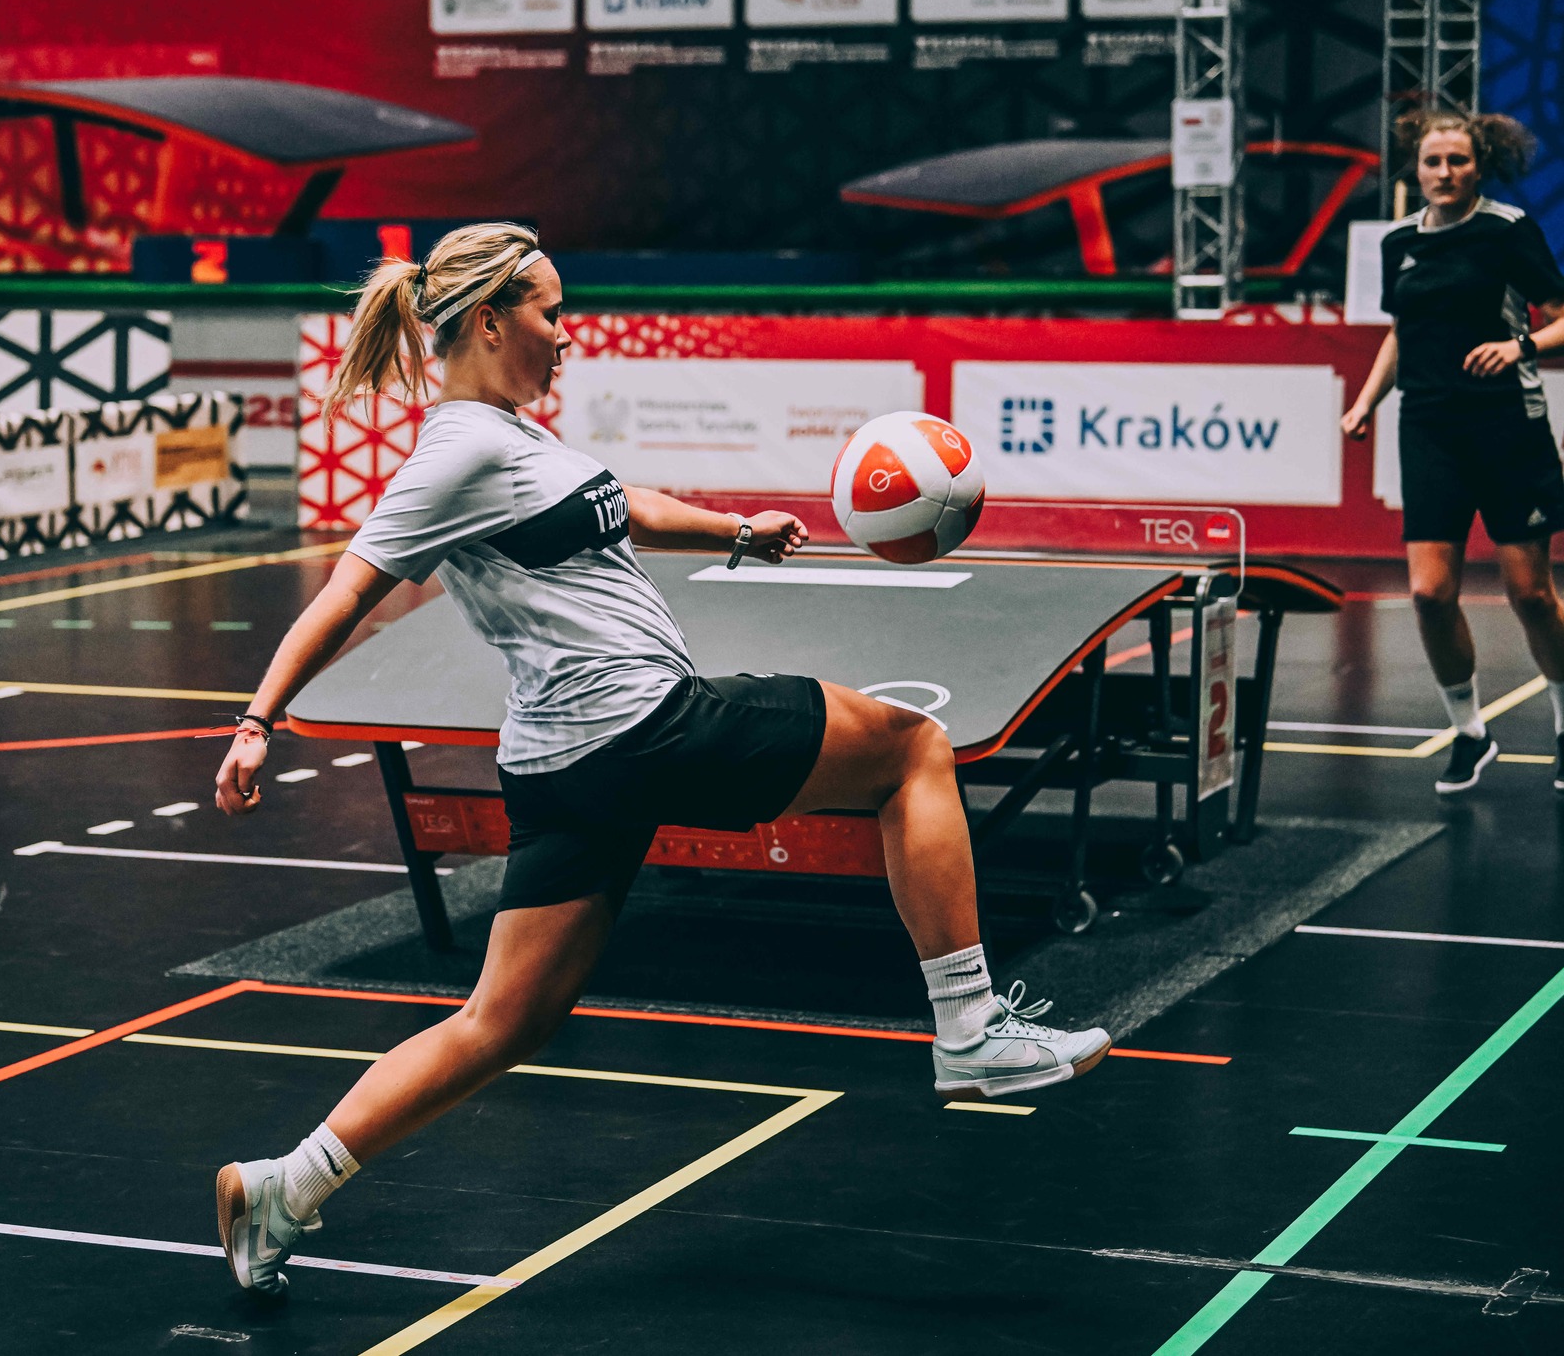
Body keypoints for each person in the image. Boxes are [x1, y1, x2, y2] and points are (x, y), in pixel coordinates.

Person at [207, 222, 1110, 1296]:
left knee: (503, 1021)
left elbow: (620, 508)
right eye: (550, 312)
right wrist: (258, 718)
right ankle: (968, 1023)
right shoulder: (456, 453)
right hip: (639, 724)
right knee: (910, 749)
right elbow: (349, 590)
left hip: (564, 764)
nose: (566, 334)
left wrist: (733, 531)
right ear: (489, 321)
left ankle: (284, 1189)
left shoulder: (514, 439)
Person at [1342, 107, 1564, 794]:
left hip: (1507, 428)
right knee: (1428, 593)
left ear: (1478, 165)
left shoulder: (1507, 231)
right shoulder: (1400, 241)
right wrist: (1365, 401)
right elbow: (1402, 331)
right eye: (1432, 161)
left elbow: (1561, 317)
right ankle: (1469, 734)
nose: (1444, 172)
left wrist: (1519, 345)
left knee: (1531, 594)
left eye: (1458, 161)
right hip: (1429, 427)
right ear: (1416, 168)